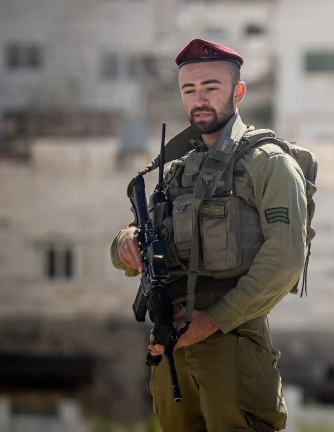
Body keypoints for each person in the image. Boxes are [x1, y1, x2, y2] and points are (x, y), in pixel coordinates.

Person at [110, 38, 308, 432]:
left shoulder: (268, 164)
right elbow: (135, 252)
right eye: (189, 89)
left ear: (238, 92)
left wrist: (211, 322)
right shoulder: (175, 172)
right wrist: (125, 243)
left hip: (233, 346)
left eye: (211, 87)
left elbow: (285, 260)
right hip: (172, 349)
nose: (199, 99)